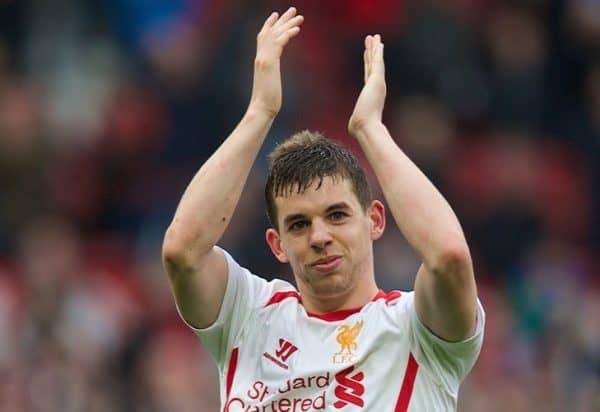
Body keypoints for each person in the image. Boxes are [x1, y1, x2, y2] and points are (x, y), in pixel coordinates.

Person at [162, 7, 484, 411]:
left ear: (375, 220)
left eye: (337, 215)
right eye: (298, 224)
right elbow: (183, 251)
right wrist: (259, 113)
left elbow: (449, 257)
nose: (319, 237)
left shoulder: (416, 329)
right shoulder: (248, 317)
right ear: (277, 245)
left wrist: (371, 130)